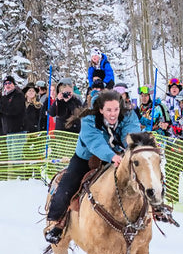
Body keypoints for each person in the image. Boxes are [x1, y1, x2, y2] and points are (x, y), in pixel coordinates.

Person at [44, 89, 142, 243]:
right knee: (68, 184)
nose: (113, 113)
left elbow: (130, 133)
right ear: (101, 109)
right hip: (87, 157)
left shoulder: (128, 115)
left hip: (119, 155)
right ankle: (58, 221)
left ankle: (150, 211)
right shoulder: (89, 118)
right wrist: (111, 156)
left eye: (116, 109)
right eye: (108, 110)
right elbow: (95, 141)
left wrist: (131, 147)